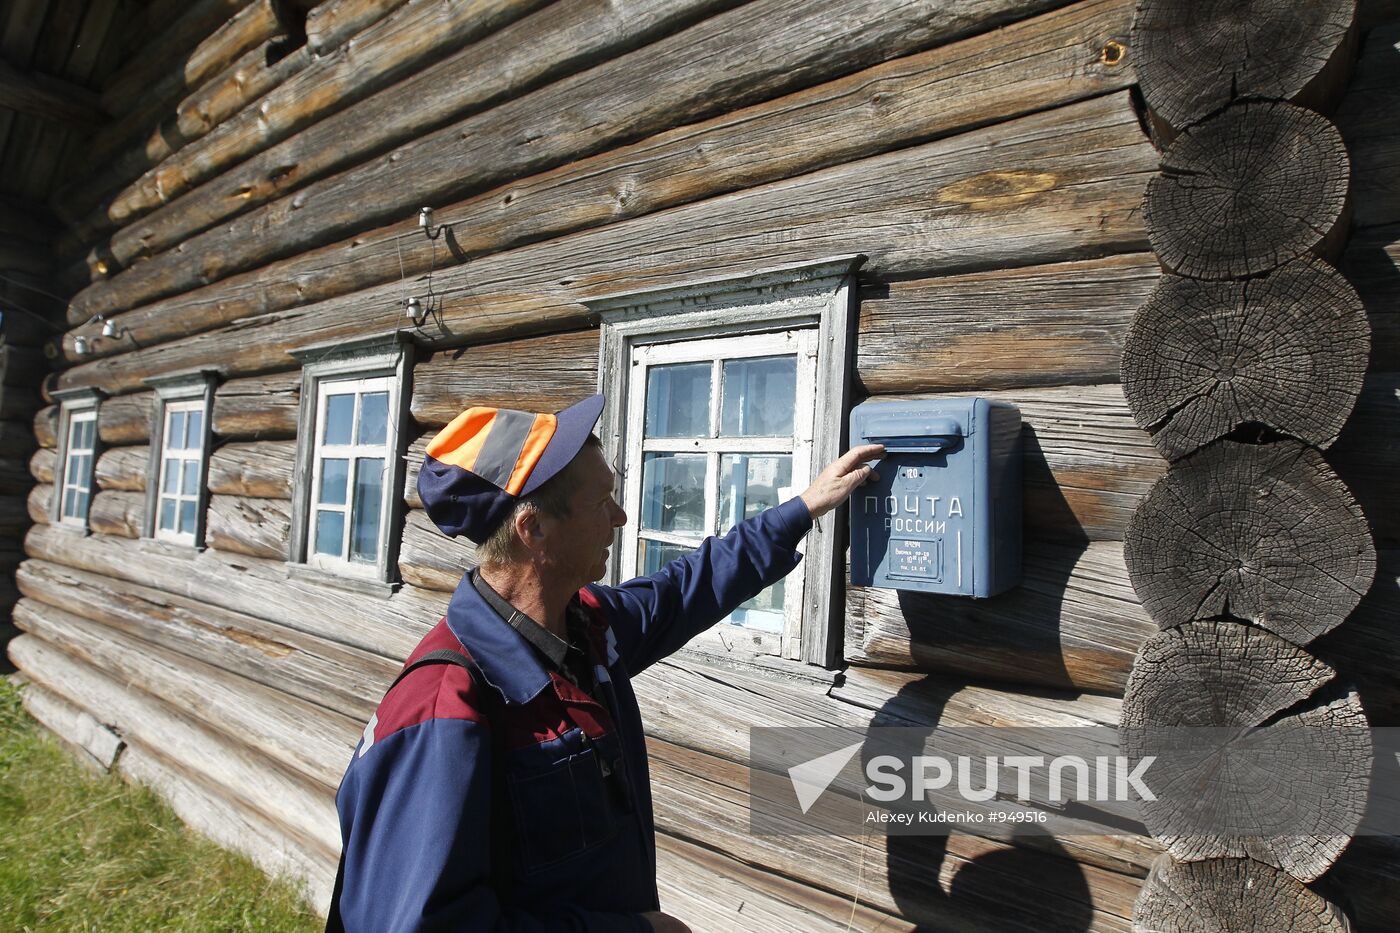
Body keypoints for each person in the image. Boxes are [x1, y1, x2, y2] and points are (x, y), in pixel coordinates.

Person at [328, 393, 882, 932]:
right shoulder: (443, 707)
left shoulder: (588, 627)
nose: (620, 518)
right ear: (533, 530)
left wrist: (803, 507)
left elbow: (690, 587)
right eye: (602, 502)